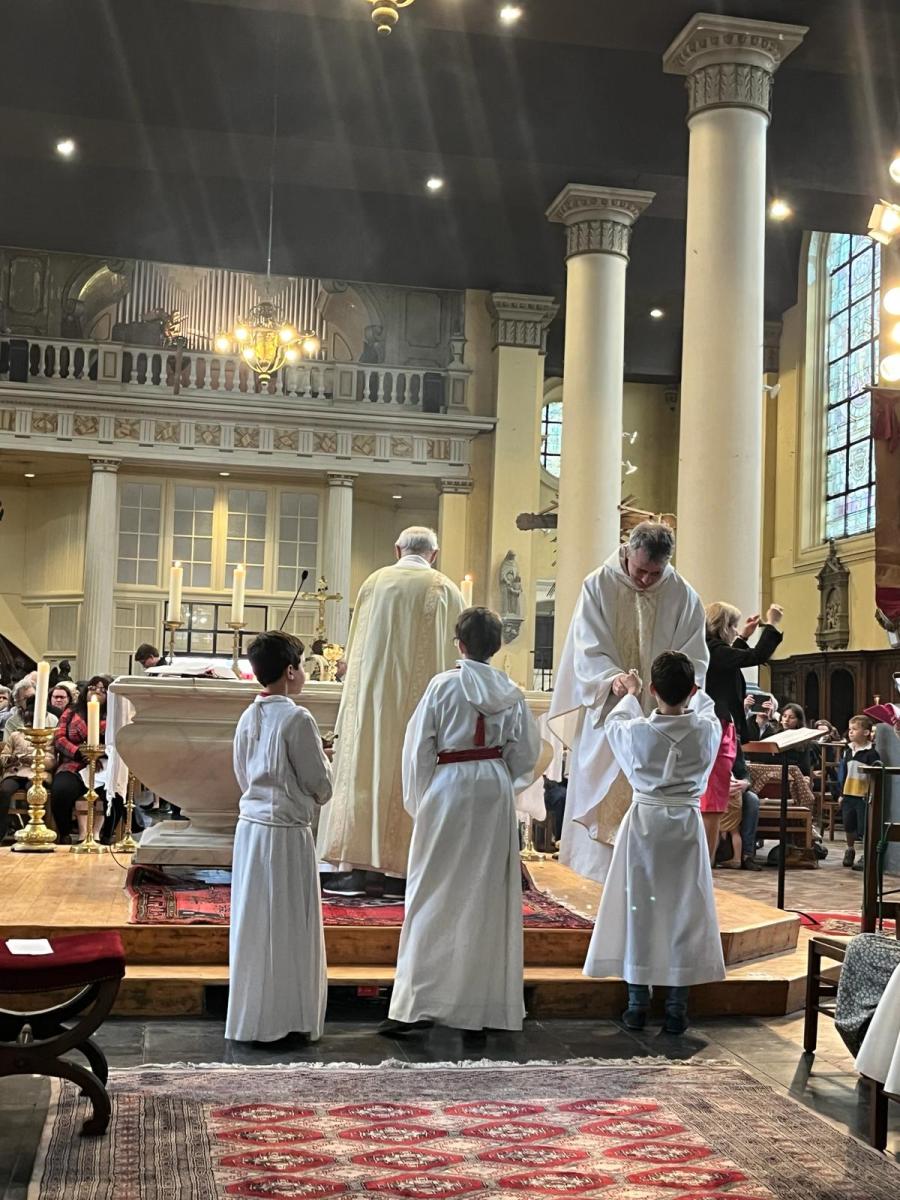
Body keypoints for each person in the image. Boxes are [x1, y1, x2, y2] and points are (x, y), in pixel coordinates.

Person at [382, 608, 541, 1038]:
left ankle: (416, 1006)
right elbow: (526, 753)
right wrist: (501, 779)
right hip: (493, 787)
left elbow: (419, 747)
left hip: (449, 785)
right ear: (498, 646)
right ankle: (481, 1008)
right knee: (486, 893)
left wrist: (421, 800)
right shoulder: (511, 693)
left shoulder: (443, 685)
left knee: (432, 889)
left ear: (460, 644)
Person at [549, 521, 708, 882]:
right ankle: (599, 879)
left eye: (656, 573)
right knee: (604, 797)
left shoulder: (683, 595)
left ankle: (646, 880)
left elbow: (694, 658)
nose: (646, 580)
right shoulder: (598, 585)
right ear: (627, 552)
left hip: (660, 721)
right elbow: (587, 648)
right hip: (610, 710)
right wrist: (613, 679)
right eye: (640, 570)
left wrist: (670, 692)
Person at [317, 526, 465, 896]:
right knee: (412, 774)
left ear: (397, 549)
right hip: (421, 707)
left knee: (366, 771)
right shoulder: (446, 589)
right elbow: (456, 657)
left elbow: (354, 651)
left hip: (372, 704)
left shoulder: (373, 583)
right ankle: (403, 874)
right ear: (434, 554)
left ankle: (355, 869)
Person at [582, 651, 724, 1035]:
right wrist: (693, 690)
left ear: (653, 690)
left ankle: (637, 1005)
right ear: (691, 689)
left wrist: (631, 693)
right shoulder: (706, 731)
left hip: (645, 825)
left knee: (639, 908)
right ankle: (676, 1008)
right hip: (686, 828)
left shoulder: (638, 731)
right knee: (683, 910)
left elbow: (615, 723)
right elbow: (707, 708)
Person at [226, 631, 333, 1044]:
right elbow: (320, 785)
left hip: (252, 830)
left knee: (256, 923)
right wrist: (327, 761)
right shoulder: (297, 718)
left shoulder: (247, 716)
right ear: (289, 671)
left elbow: (242, 774)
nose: (303, 673)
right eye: (301, 666)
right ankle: (289, 1018)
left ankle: (255, 1019)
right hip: (287, 834)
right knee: (288, 923)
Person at [703, 601, 784, 869]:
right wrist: (772, 624)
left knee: (714, 801)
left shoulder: (712, 649)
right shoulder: (713, 650)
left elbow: (731, 658)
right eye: (733, 626)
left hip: (722, 725)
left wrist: (743, 638)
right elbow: (755, 657)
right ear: (722, 626)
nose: (736, 630)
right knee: (712, 802)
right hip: (718, 726)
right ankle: (706, 862)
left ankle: (708, 861)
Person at [50, 675, 115, 844]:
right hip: (74, 763)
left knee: (115, 794)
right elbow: (59, 737)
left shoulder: (114, 715)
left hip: (104, 765)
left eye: (102, 690)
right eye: (92, 688)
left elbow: (118, 741)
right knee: (61, 790)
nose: (96, 692)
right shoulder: (71, 712)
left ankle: (105, 835)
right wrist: (79, 752)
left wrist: (99, 753)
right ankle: (64, 832)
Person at [0, 693, 57, 842]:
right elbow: (4, 756)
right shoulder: (16, 735)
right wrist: (10, 759)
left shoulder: (48, 736)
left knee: (34, 790)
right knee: (4, 790)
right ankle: (2, 830)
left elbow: (52, 760)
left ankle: (37, 827)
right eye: (28, 720)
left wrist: (34, 760)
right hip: (15, 772)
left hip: (37, 773)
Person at [837, 714, 881, 872]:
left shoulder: (871, 753)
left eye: (855, 729)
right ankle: (850, 849)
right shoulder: (847, 750)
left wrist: (870, 793)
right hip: (848, 793)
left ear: (866, 732)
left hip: (863, 795)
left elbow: (874, 776)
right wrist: (841, 794)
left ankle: (865, 854)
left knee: (863, 827)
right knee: (848, 824)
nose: (850, 732)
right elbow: (843, 773)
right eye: (850, 729)